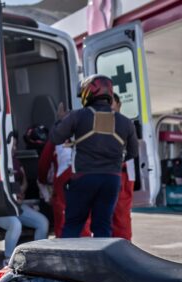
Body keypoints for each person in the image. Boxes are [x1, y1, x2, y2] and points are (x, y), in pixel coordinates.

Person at [50, 75, 138, 238]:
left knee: (73, 225)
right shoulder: (126, 122)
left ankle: (68, 262)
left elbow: (56, 138)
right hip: (111, 180)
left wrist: (60, 120)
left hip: (84, 178)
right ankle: (101, 263)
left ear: (88, 93)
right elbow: (133, 152)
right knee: (103, 227)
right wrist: (115, 161)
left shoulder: (77, 116)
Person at [111, 93, 134, 240]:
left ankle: (123, 252)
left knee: (121, 217)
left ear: (119, 105)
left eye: (111, 103)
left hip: (122, 174)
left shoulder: (124, 124)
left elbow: (133, 151)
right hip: (113, 173)